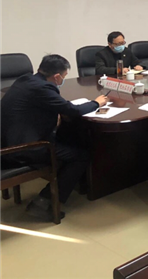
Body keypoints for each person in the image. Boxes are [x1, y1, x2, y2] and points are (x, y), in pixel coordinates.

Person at [1, 55, 108, 220]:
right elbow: (73, 110)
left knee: (68, 138)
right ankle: (43, 202)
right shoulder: (43, 89)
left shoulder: (25, 80)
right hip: (21, 149)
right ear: (57, 76)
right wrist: (96, 103)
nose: (63, 80)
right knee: (81, 156)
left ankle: (66, 185)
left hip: (6, 141)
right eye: (64, 76)